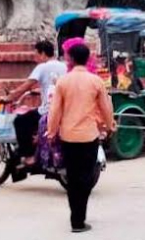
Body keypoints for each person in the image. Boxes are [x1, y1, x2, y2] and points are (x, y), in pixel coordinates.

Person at [46, 43, 115, 233]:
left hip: (67, 136)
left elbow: (55, 111)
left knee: (72, 177)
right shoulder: (96, 81)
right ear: (88, 59)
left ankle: (75, 219)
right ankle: (79, 220)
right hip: (89, 136)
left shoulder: (63, 82)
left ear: (71, 59)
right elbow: (106, 107)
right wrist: (110, 126)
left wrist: (51, 131)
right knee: (85, 178)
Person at [0, 40, 66, 167]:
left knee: (20, 121)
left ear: (43, 54)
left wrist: (9, 97)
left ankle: (29, 156)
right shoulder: (63, 66)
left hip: (48, 111)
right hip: (65, 110)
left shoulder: (42, 67)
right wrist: (39, 90)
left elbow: (24, 86)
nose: (35, 59)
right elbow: (55, 85)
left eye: (36, 55)